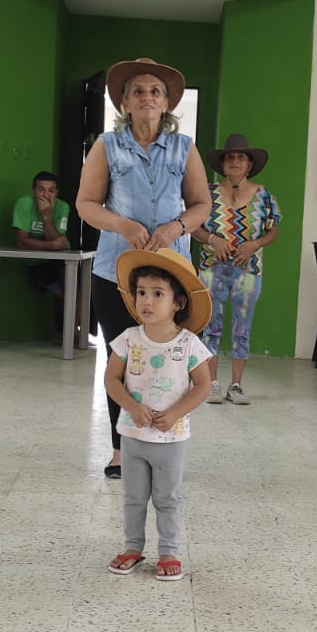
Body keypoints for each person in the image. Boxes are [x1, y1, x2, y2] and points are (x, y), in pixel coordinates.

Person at [75, 58, 210, 478]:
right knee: (123, 358)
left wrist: (177, 227)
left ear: (167, 103)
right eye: (138, 91)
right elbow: (85, 204)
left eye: (155, 91)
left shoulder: (185, 147)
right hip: (117, 273)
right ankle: (122, 450)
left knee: (171, 359)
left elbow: (202, 204)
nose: (147, 97)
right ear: (125, 102)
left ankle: (167, 441)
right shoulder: (106, 146)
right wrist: (122, 225)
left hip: (173, 273)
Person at [103, 248, 213, 581]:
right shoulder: (128, 339)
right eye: (141, 293)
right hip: (133, 436)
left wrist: (176, 412)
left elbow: (203, 385)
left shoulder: (189, 344)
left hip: (171, 439)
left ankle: (169, 552)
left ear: (178, 302)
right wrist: (132, 406)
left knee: (167, 498)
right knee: (133, 498)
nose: (146, 301)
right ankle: (132, 548)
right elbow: (111, 379)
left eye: (157, 294)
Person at [198, 133, 280, 406]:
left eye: (241, 157)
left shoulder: (263, 195)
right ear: (222, 164)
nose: (235, 161)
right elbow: (193, 225)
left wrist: (254, 244)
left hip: (248, 270)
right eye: (230, 157)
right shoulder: (207, 194)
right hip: (211, 269)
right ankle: (212, 383)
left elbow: (273, 230)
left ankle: (236, 385)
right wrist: (213, 239)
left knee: (242, 328)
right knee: (210, 326)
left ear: (249, 164)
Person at [12, 170, 71, 297]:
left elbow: (58, 243)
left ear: (57, 192)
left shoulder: (63, 207)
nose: (46, 195)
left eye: (51, 191)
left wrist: (46, 216)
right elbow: (21, 241)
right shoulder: (24, 203)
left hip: (60, 259)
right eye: (41, 190)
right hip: (34, 261)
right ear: (33, 191)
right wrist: (53, 245)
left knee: (73, 293)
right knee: (65, 294)